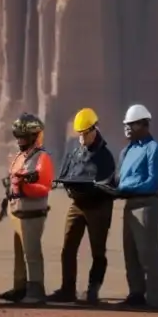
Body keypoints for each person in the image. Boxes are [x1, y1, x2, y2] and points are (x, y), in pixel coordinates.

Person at [52, 107, 116, 305]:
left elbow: (108, 183)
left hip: (99, 208)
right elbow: (65, 174)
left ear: (94, 130)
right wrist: (66, 186)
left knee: (98, 251)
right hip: (77, 205)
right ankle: (67, 290)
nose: (81, 138)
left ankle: (92, 291)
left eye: (84, 134)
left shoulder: (105, 156)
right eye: (79, 134)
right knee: (68, 248)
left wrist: (92, 188)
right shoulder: (75, 152)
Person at [112, 104, 158, 309]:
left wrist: (127, 189)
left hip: (146, 204)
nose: (127, 128)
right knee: (131, 252)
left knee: (148, 253)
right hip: (129, 204)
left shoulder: (154, 148)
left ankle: (155, 299)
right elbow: (118, 178)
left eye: (131, 125)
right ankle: (136, 293)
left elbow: (154, 181)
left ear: (143, 125)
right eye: (125, 125)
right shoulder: (126, 151)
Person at [0, 112, 54, 305]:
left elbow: (45, 186)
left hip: (32, 213)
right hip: (17, 211)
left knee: (31, 252)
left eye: (23, 137)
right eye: (18, 137)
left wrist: (24, 185)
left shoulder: (42, 158)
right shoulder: (20, 157)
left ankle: (36, 290)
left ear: (33, 137)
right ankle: (20, 287)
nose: (20, 141)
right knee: (19, 253)